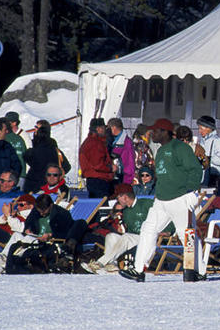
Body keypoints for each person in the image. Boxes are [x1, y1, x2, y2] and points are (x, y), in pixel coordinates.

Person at [120, 118, 204, 282]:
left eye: (156, 131)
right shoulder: (160, 151)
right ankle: (139, 269)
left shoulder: (180, 148)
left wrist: (190, 191)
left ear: (165, 132)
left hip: (180, 198)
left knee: (186, 235)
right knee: (148, 229)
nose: (152, 134)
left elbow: (195, 170)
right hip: (161, 200)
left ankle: (198, 270)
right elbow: (163, 176)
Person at [83, 184, 153, 274]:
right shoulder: (126, 211)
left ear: (124, 197)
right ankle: (112, 265)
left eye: (117, 198)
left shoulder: (145, 203)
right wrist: (121, 228)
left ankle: (100, 263)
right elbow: (127, 231)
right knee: (111, 236)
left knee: (127, 237)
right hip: (134, 239)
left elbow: (164, 214)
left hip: (148, 238)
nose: (117, 201)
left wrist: (167, 231)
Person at [23, 122, 70, 193]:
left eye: (37, 128)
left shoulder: (34, 150)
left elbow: (26, 157)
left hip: (35, 186)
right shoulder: (55, 150)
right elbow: (67, 166)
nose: (34, 130)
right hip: (52, 187)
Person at [79, 118, 114, 200]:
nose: (105, 130)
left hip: (95, 179)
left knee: (97, 207)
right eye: (104, 128)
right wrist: (111, 168)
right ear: (98, 129)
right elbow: (97, 165)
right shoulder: (95, 143)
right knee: (101, 208)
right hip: (98, 180)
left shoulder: (91, 141)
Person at [197, 115, 220, 187]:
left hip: (213, 180)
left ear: (208, 128)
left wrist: (209, 158)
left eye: (201, 128)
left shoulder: (217, 141)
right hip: (202, 180)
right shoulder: (201, 141)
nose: (199, 131)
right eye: (199, 128)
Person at [108, 118, 136, 185]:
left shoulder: (126, 143)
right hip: (113, 178)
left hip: (122, 179)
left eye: (109, 128)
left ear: (114, 128)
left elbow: (129, 163)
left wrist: (127, 182)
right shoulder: (111, 140)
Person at [4, 112, 28, 182]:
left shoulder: (23, 136)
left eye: (8, 122)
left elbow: (27, 155)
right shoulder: (5, 136)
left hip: (20, 174)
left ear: (14, 123)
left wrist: (25, 173)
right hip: (8, 175)